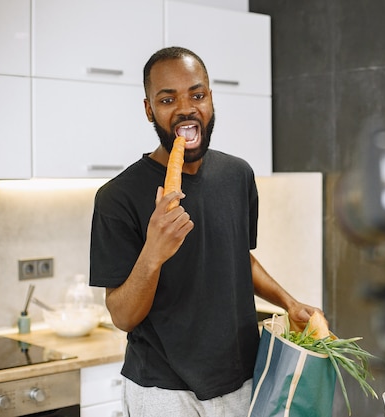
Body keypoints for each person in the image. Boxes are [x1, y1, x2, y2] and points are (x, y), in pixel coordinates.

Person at [89, 46, 323, 417]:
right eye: (168, 99)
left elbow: (236, 257)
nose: (186, 107)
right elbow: (122, 316)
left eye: (196, 95)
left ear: (211, 99)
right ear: (149, 109)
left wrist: (288, 302)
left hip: (242, 379)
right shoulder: (117, 197)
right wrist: (154, 250)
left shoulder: (238, 175)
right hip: (163, 390)